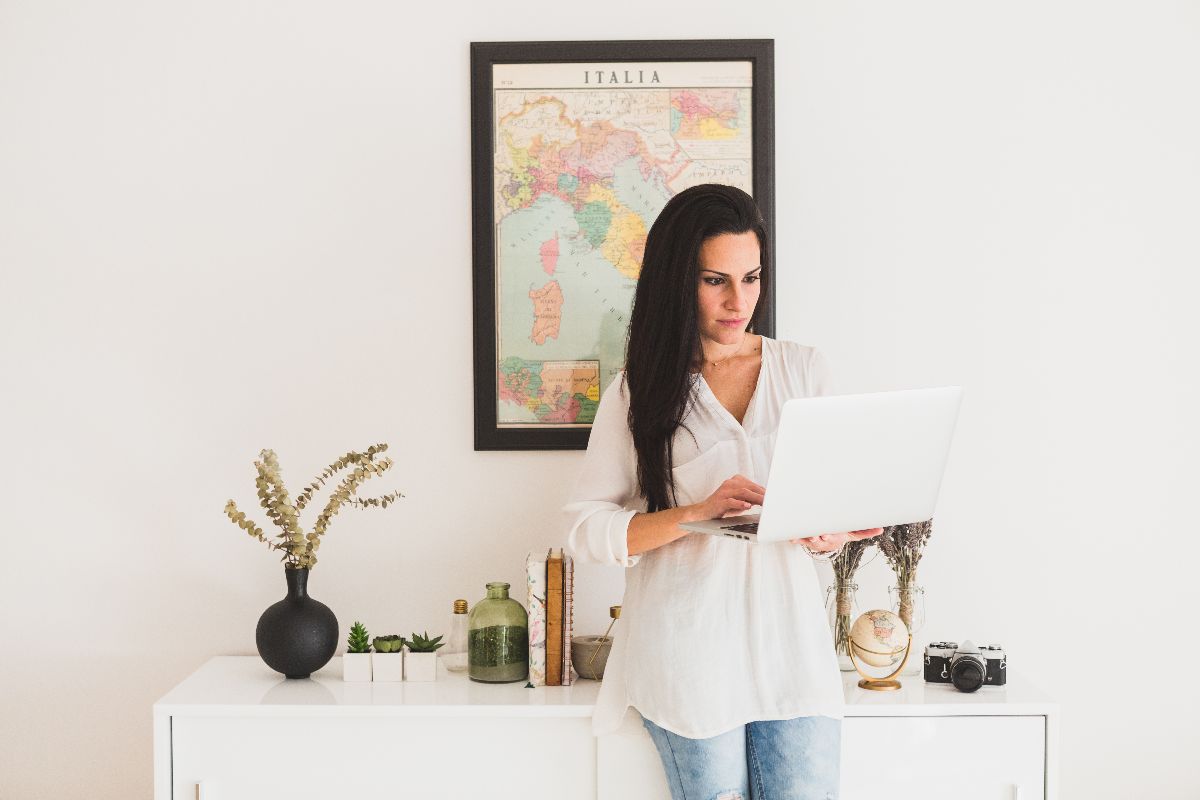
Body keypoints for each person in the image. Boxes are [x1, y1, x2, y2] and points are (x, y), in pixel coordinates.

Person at [562, 183, 884, 800]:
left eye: (752, 277)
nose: (740, 302)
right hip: (690, 656)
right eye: (717, 281)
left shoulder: (803, 370)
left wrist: (830, 533)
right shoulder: (639, 392)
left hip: (792, 652)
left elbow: (831, 508)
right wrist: (695, 514)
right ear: (677, 282)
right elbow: (584, 529)